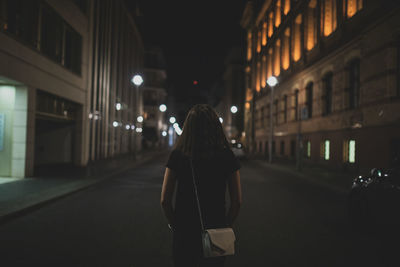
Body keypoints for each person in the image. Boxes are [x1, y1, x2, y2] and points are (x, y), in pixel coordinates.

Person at [160, 104, 242, 267]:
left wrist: (175, 224)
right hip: (216, 231)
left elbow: (165, 200)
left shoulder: (178, 156)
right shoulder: (226, 156)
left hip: (184, 230)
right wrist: (226, 223)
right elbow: (237, 201)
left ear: (188, 128)